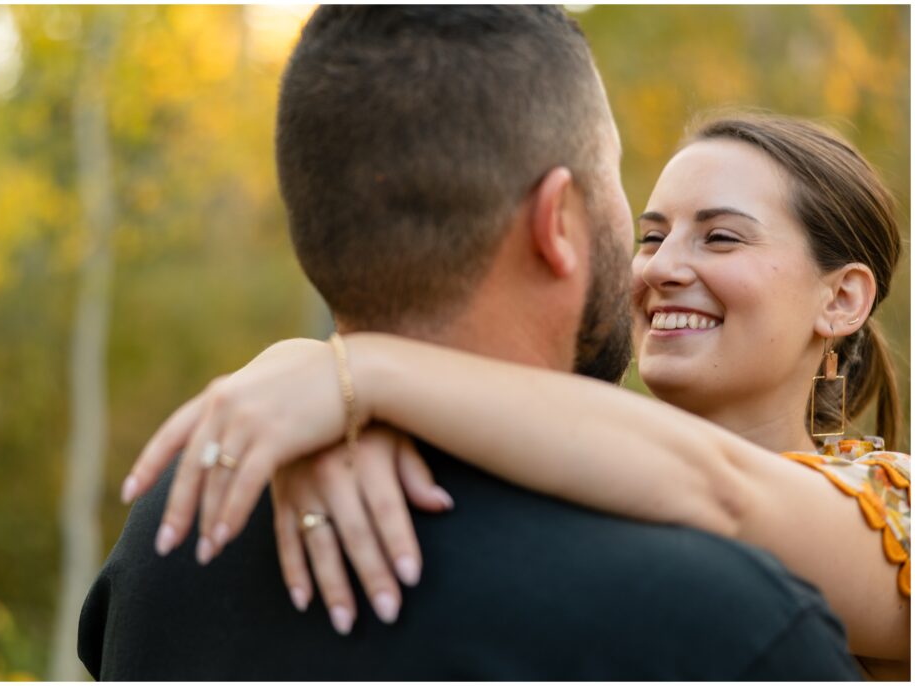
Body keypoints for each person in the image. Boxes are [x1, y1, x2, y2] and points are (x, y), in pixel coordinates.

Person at [79, 6, 862, 680]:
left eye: (721, 235)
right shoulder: (735, 624)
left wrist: (351, 368)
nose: (657, 267)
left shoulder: (172, 528)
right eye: (642, 223)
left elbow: (722, 488)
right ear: (558, 223)